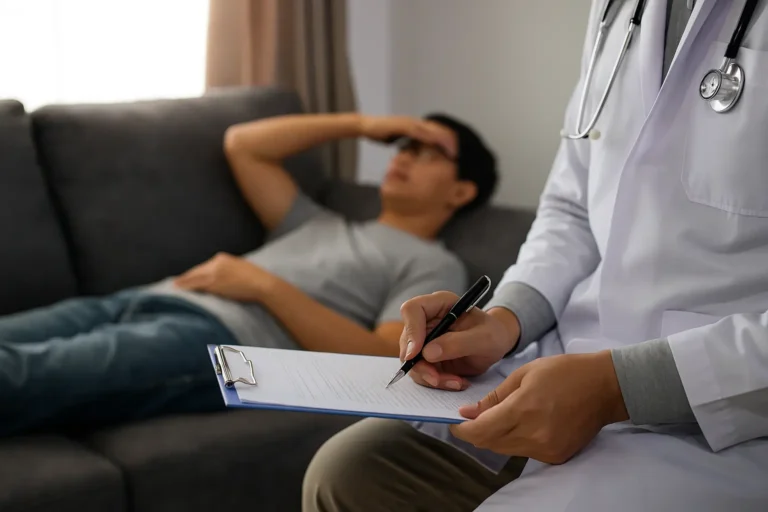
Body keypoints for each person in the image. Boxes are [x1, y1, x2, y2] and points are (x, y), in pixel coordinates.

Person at [303, 0, 768, 510]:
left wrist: (620, 385)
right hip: (562, 360)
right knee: (348, 473)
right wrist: (504, 321)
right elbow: (572, 207)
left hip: (717, 411)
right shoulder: (617, 9)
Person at [0, 112, 498, 437]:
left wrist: (263, 286)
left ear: (461, 192)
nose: (405, 155)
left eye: (429, 153)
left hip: (223, 342)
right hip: (149, 297)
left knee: (26, 375)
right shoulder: (318, 222)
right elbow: (243, 144)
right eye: (405, 146)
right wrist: (363, 124)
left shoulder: (433, 264)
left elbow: (382, 357)